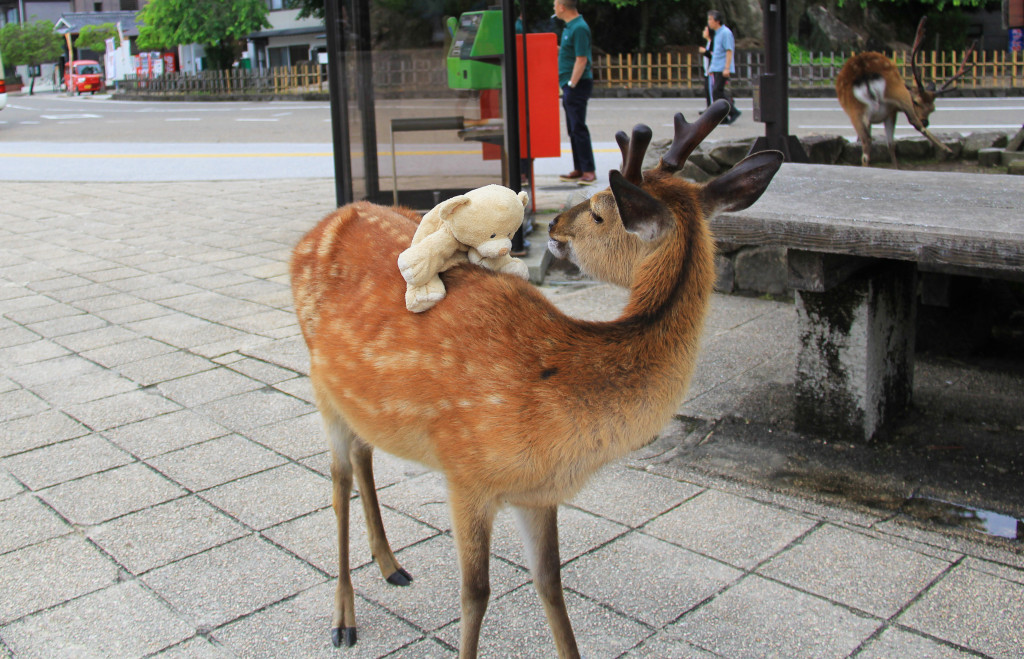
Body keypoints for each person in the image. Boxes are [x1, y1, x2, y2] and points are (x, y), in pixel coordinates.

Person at [554, 0, 596, 185]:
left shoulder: (579, 27)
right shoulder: (569, 27)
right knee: (573, 129)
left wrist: (571, 84)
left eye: (555, 5)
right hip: (568, 84)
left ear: (562, 7)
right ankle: (579, 167)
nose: (554, 9)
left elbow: (581, 59)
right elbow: (571, 52)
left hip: (576, 85)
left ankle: (588, 170)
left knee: (578, 127)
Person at [706, 9, 741, 125]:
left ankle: (732, 111)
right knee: (717, 92)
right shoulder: (717, 33)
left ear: (717, 21)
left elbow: (729, 51)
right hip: (716, 67)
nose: (709, 22)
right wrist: (711, 67)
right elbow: (716, 53)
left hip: (722, 67)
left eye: (710, 19)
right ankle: (723, 116)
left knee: (718, 91)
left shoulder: (726, 32)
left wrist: (727, 67)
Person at [698, 25, 715, 111]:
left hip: (711, 72)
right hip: (707, 72)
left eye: (705, 30)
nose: (703, 31)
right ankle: (709, 109)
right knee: (708, 92)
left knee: (712, 92)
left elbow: (713, 56)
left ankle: (712, 110)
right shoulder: (709, 43)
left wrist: (705, 51)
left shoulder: (713, 43)